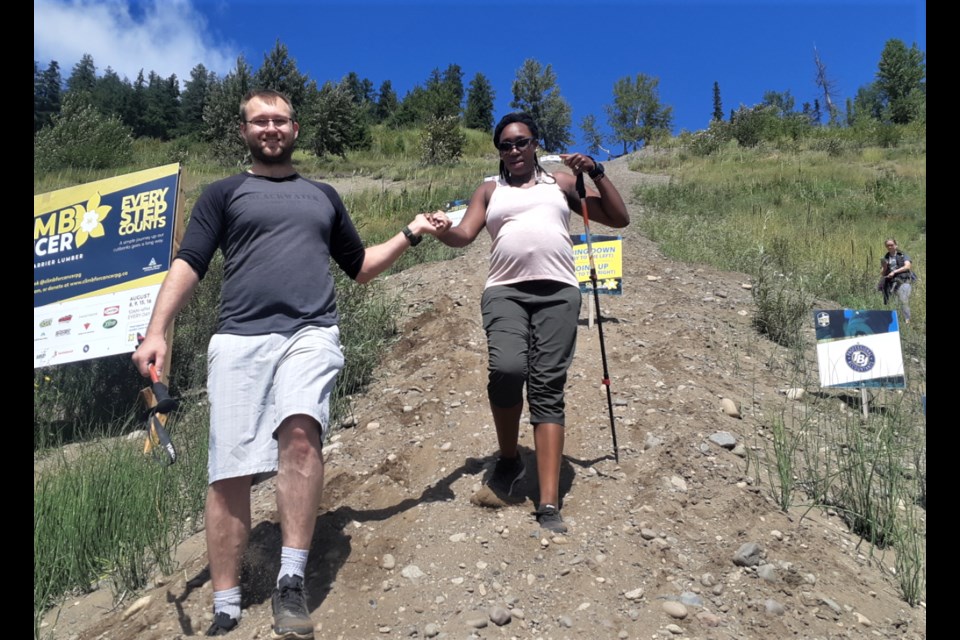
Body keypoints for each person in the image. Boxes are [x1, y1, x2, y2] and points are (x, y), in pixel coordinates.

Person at [132, 89, 451, 639]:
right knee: (228, 469)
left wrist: (409, 232)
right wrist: (157, 330)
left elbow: (361, 267)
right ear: (245, 132)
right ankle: (226, 601)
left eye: (279, 120)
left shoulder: (323, 196)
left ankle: (290, 581)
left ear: (296, 130)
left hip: (311, 332)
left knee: (300, 435)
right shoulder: (224, 193)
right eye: (260, 121)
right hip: (238, 339)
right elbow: (190, 262)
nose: (271, 128)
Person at [429, 112, 629, 533]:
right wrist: (441, 230)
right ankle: (509, 458)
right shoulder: (489, 190)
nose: (514, 150)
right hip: (505, 291)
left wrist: (597, 172)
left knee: (546, 386)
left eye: (521, 142)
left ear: (535, 143)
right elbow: (464, 235)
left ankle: (549, 502)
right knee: (506, 369)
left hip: (558, 291)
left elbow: (616, 216)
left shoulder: (561, 183)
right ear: (498, 150)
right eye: (505, 145)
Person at [879, 237, 915, 325]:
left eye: (891, 245)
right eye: (888, 245)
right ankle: (897, 321)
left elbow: (907, 266)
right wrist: (885, 267)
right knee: (893, 302)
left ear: (896, 245)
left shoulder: (903, 255)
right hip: (891, 282)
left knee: (903, 300)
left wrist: (894, 271)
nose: (890, 247)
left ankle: (907, 321)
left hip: (904, 280)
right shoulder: (886, 257)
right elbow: (883, 273)